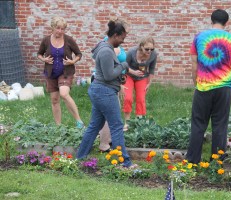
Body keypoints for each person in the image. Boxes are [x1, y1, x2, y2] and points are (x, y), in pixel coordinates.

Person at [76, 17, 139, 168]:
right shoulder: (105, 51)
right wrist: (123, 64)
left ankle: (80, 157)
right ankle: (124, 163)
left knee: (94, 125)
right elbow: (109, 74)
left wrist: (121, 75)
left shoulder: (105, 47)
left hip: (100, 90)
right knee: (117, 126)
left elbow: (108, 72)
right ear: (115, 36)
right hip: (104, 92)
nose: (123, 41)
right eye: (122, 38)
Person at [186, 9, 231, 164]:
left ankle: (192, 161)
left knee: (198, 124)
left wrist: (196, 83)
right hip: (223, 87)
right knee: (220, 126)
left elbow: (193, 64)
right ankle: (217, 163)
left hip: (203, 87)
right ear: (227, 22)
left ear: (211, 20)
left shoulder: (199, 37)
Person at [37, 16, 84, 128]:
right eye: (58, 28)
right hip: (51, 73)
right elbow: (39, 53)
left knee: (63, 93)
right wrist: (44, 59)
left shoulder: (69, 40)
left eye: (62, 29)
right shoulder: (46, 40)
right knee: (54, 99)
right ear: (52, 28)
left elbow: (79, 54)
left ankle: (79, 121)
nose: (60, 31)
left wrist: (72, 61)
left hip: (65, 72)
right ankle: (58, 126)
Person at [123, 36, 157, 130]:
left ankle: (140, 123)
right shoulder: (131, 52)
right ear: (141, 46)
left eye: (151, 49)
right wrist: (133, 72)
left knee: (141, 99)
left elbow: (152, 69)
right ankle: (127, 122)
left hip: (142, 77)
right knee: (128, 98)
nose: (149, 51)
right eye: (147, 49)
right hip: (129, 75)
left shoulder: (153, 55)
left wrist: (149, 83)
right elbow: (124, 66)